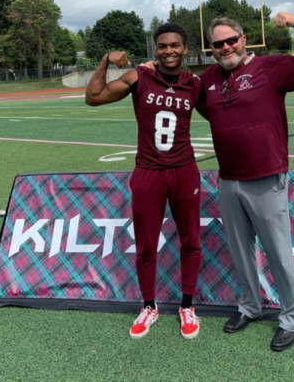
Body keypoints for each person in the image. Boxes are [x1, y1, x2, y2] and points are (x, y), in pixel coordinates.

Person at [198, 12, 294, 352]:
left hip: (266, 177)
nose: (226, 47)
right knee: (240, 253)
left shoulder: (269, 67)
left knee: (279, 254)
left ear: (243, 40)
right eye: (218, 43)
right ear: (211, 48)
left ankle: (290, 318)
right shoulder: (209, 78)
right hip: (228, 179)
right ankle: (250, 307)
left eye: (231, 40)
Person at [84, 22, 205, 340]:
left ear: (185, 49)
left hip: (184, 170)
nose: (169, 51)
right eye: (163, 45)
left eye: (175, 45)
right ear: (156, 48)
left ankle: (187, 305)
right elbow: (93, 97)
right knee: (146, 246)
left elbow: (223, 114)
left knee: (190, 240)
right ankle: (149, 305)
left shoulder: (194, 84)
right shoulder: (140, 77)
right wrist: (106, 59)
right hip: (148, 172)